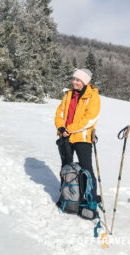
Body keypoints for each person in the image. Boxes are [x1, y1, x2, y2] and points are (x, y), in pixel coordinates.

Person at [55, 68, 101, 201]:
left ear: (85, 82)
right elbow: (60, 113)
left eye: (78, 80)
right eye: (74, 79)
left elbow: (89, 119)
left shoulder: (93, 96)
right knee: (66, 167)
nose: (75, 82)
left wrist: (70, 128)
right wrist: (61, 128)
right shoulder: (68, 95)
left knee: (87, 169)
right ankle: (67, 195)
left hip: (82, 138)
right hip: (66, 136)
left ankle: (90, 197)